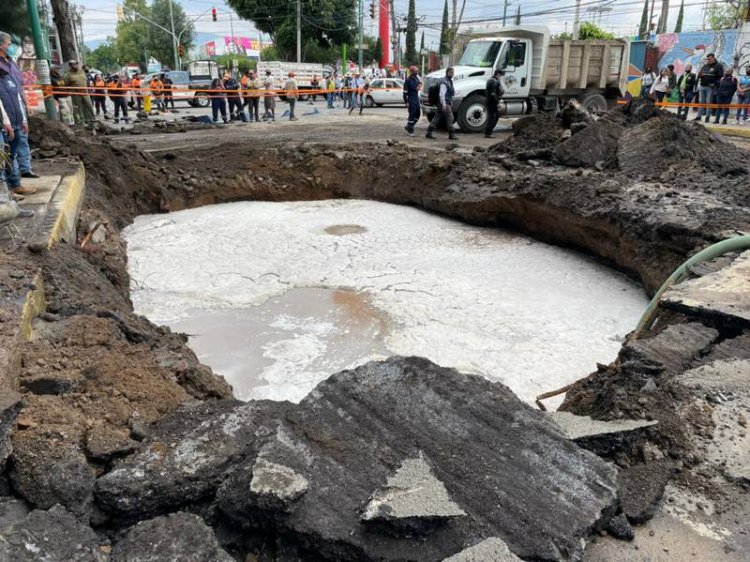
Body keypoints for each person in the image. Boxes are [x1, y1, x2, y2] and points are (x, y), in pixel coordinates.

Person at [0, 32, 36, 180]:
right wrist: (6, 120)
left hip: (16, 107)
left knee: (20, 139)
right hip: (5, 111)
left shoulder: (12, 64)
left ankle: (24, 170)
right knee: (6, 149)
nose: (11, 47)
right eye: (9, 44)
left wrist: (25, 104)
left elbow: (18, 87)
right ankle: (11, 181)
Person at [0, 65, 36, 207]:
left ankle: (14, 185)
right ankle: (6, 191)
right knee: (3, 158)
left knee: (10, 156)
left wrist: (22, 120)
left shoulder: (8, 78)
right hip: (5, 125)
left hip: (13, 122)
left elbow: (16, 100)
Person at [426, 67, 458, 141]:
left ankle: (429, 132)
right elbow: (441, 94)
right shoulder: (444, 82)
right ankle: (451, 134)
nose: (452, 74)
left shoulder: (449, 81)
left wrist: (450, 102)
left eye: (453, 73)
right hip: (444, 103)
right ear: (447, 73)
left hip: (445, 102)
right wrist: (444, 105)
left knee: (437, 118)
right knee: (450, 118)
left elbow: (449, 94)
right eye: (451, 73)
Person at [64, 60, 96, 125]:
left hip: (85, 92)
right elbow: (65, 85)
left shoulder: (82, 71)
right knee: (78, 108)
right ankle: (80, 123)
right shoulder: (68, 74)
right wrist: (70, 91)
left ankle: (92, 121)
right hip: (76, 94)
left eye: (76, 64)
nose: (75, 65)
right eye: (73, 64)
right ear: (70, 66)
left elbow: (87, 80)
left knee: (89, 106)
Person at [694, 53, 724, 122]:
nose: (708, 60)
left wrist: (714, 84)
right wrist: (700, 75)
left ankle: (707, 117)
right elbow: (700, 74)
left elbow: (720, 78)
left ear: (713, 58)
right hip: (702, 85)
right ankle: (699, 116)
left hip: (710, 87)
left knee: (708, 102)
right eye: (707, 59)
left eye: (709, 59)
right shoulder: (705, 66)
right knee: (701, 101)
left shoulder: (718, 66)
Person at [484, 68, 505, 138]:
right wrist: (497, 102)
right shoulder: (495, 81)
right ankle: (488, 132)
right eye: (501, 75)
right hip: (492, 102)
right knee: (494, 117)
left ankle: (488, 132)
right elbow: (493, 94)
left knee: (491, 116)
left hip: (489, 101)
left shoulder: (489, 80)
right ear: (498, 74)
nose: (501, 77)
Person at [403, 65, 421, 136]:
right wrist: (406, 102)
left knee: (418, 114)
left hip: (416, 98)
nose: (417, 72)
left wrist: (419, 86)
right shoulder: (407, 80)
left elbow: (420, 83)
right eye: (415, 71)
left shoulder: (416, 78)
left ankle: (409, 126)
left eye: (417, 71)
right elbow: (404, 93)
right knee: (412, 114)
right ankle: (411, 130)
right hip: (411, 99)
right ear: (411, 72)